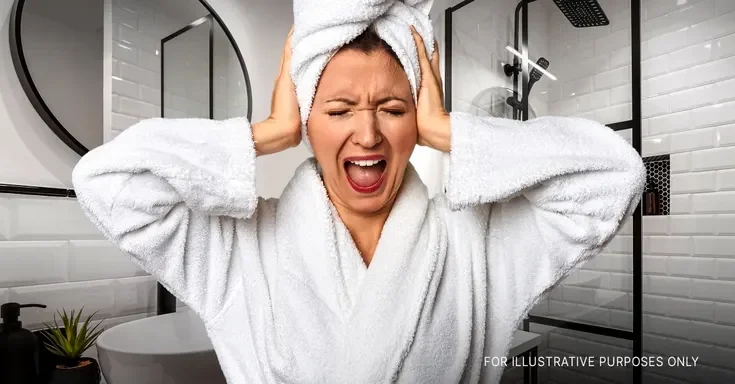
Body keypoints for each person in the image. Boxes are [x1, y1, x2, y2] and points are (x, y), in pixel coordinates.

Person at [73, 26, 645, 383]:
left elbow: (615, 174)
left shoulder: (478, 243)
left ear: (416, 126)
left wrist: (452, 132)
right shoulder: (240, 246)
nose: (368, 135)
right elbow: (108, 181)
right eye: (339, 109)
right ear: (307, 124)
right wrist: (266, 131)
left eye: (393, 110)